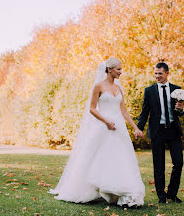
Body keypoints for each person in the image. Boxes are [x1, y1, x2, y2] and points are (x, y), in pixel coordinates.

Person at [49, 57, 145, 207]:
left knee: (120, 158)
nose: (121, 72)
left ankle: (119, 191)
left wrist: (135, 127)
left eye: (121, 69)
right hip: (104, 126)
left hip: (119, 127)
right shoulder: (98, 86)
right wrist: (106, 121)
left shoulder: (119, 88)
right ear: (110, 69)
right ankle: (96, 188)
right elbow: (92, 108)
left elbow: (124, 111)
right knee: (98, 157)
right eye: (118, 69)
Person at [136, 62, 184, 204]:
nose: (157, 76)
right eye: (156, 73)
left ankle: (172, 193)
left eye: (160, 73)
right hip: (157, 132)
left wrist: (181, 109)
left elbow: (180, 112)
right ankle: (161, 196)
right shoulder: (149, 91)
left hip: (173, 131)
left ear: (167, 73)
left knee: (178, 163)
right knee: (159, 165)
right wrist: (139, 128)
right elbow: (144, 113)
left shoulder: (177, 90)